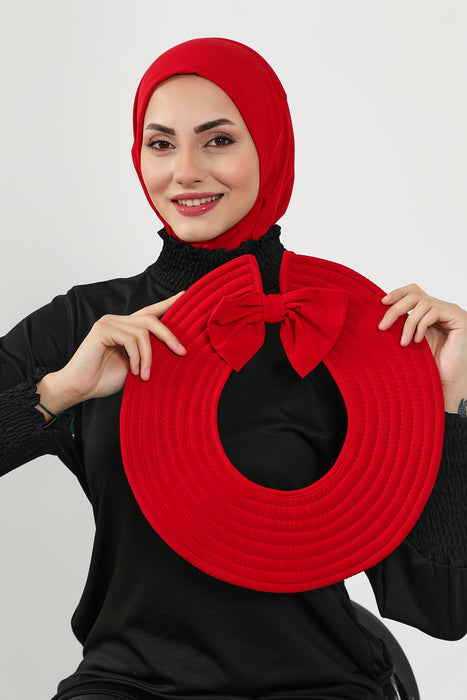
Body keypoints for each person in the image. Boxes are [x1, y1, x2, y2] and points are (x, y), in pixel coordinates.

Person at [0, 37, 465, 700]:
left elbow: (443, 608)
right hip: (128, 685)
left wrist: (445, 400)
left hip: (319, 684)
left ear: (269, 149)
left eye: (217, 140)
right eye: (161, 144)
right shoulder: (88, 324)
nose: (185, 171)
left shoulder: (355, 331)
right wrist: (57, 392)